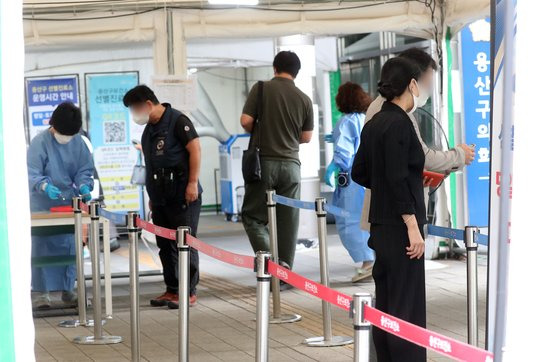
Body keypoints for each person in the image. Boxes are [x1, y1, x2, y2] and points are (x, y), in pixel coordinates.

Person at [352, 57, 427, 362]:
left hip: (380, 226)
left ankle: (385, 357)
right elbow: (397, 176)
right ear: (411, 84)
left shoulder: (373, 124)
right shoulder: (400, 123)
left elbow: (360, 172)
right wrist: (412, 225)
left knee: (386, 299)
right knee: (406, 304)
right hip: (401, 229)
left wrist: (383, 185)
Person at [360, 48, 475, 230]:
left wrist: (413, 174)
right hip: (398, 218)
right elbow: (420, 160)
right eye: (427, 84)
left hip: (388, 215)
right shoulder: (396, 116)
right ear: (412, 81)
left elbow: (366, 170)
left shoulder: (386, 110)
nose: (427, 91)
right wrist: (459, 155)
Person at [123, 85, 202, 308]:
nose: (134, 115)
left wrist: (192, 182)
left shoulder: (178, 120)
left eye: (134, 109)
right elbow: (151, 163)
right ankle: (172, 289)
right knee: (165, 245)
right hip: (160, 196)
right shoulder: (149, 129)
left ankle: (189, 291)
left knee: (185, 244)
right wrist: (152, 195)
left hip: (183, 193)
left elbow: (195, 149)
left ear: (147, 104)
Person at [241, 51, 313, 282]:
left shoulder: (261, 88)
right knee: (287, 221)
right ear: (296, 72)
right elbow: (307, 137)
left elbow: (245, 121)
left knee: (253, 217)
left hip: (264, 164)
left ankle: (270, 264)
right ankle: (285, 272)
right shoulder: (304, 98)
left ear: (275, 68)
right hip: (292, 166)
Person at [27, 102, 94, 309]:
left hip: (67, 203)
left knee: (69, 246)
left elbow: (84, 168)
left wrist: (83, 185)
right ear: (52, 124)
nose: (66, 138)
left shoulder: (79, 143)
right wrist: (43, 185)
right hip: (41, 203)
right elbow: (31, 172)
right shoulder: (40, 142)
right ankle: (40, 293)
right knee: (40, 248)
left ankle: (69, 290)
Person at [324, 82, 375, 282]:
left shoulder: (346, 122)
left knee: (350, 221)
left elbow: (344, 155)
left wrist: (333, 166)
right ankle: (372, 260)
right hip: (367, 178)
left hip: (351, 180)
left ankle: (368, 263)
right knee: (366, 219)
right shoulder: (367, 119)